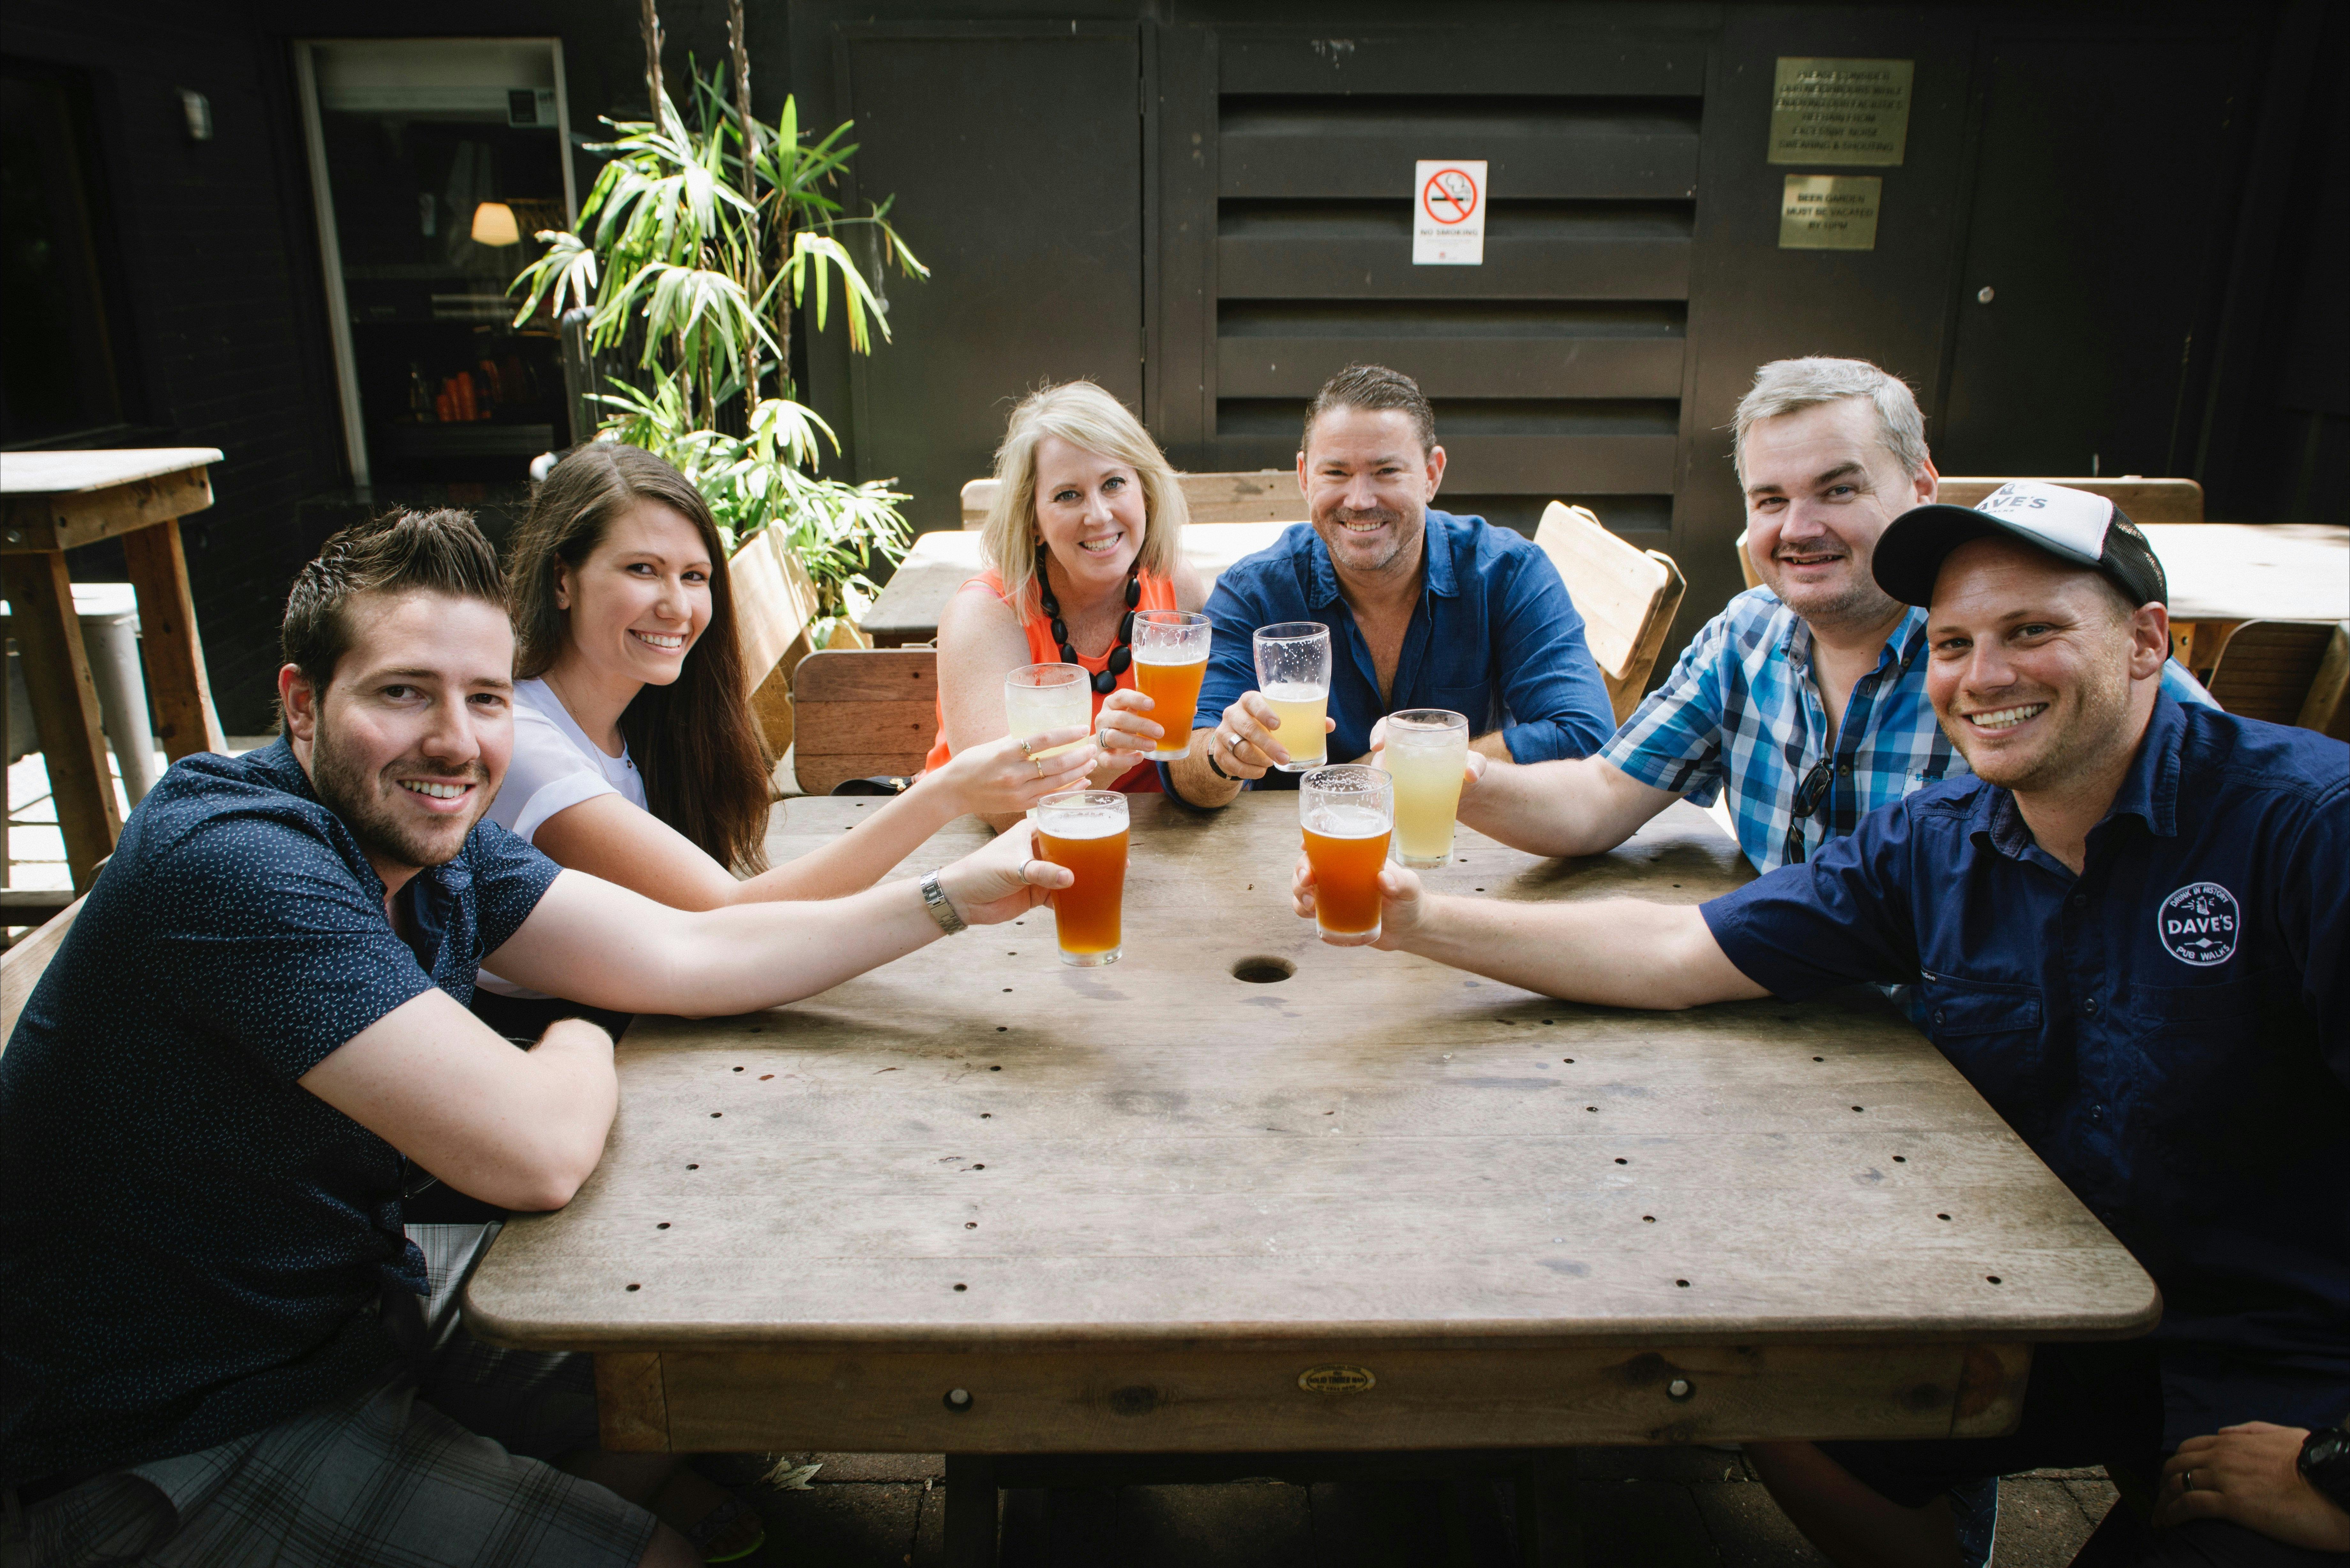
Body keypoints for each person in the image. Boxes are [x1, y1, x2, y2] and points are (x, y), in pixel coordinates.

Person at [1293, 481, 2350, 1567]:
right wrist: (1417, 922)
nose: (1984, 676)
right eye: (1953, 643)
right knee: (1763, 1376)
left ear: (2145, 643)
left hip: (2290, 1358)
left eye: (2033, 632)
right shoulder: (1939, 839)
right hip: (2063, 1316)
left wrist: (2336, 1469)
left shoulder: (2310, 827)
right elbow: (1676, 951)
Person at [0, 510, 1070, 1565]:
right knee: (664, 1543)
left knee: (738, 1347)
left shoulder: (441, 838)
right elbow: (537, 1154)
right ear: (301, 704)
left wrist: (951, 897)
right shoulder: (240, 861)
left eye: (484, 699)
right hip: (160, 1429)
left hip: (344, 1305)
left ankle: (553, 1489)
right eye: (402, 692)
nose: (455, 741)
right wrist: (579, 1035)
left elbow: (693, 950)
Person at [1439, 357, 2213, 874]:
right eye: (1771, 500)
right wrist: (1453, 776)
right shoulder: (1746, 635)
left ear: (1922, 486)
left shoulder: (2004, 660)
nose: (1799, 527)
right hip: (1794, 1024)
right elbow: (1600, 798)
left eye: (1839, 490)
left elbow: (2226, 797)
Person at [477, 441, 1096, 1037]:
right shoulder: (525, 746)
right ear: (563, 579)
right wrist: (944, 794)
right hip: (556, 1041)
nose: (676, 605)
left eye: (694, 576)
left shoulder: (641, 719)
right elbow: (730, 916)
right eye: (642, 569)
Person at [1165, 362, 1616, 806]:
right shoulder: (1253, 591)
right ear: (1304, 477)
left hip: (1462, 840)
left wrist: (1384, 770)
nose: (1360, 500)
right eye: (1336, 473)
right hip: (1292, 845)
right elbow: (1186, 765)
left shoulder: (1507, 572)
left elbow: (1586, 736)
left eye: (1386, 472)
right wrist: (1222, 756)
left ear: (1432, 474)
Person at [930, 381, 1209, 826]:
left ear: (1145, 492)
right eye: (1068, 495)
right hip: (992, 851)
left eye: (1113, 483)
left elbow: (1204, 737)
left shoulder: (1176, 585)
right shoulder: (986, 614)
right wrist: (1103, 756)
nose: (1098, 515)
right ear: (1033, 520)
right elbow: (1000, 810)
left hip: (1150, 841)